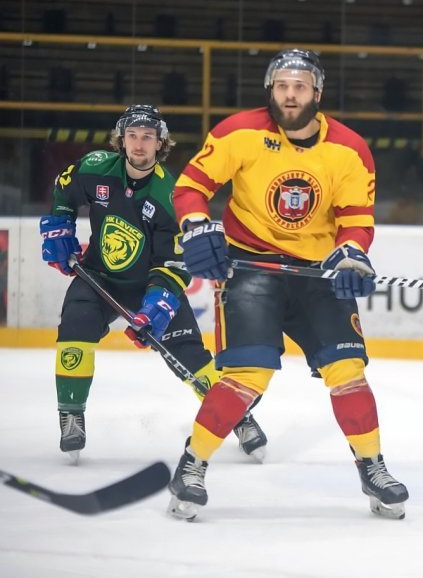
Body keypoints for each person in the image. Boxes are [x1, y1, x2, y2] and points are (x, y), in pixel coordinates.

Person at [168, 48, 408, 520]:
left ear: (317, 93)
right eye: (282, 86)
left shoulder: (349, 148)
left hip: (315, 272)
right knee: (247, 376)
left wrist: (352, 253)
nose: (290, 94)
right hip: (251, 267)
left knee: (348, 370)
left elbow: (356, 219)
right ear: (271, 90)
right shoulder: (238, 132)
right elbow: (191, 186)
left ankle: (372, 466)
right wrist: (196, 225)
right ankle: (191, 466)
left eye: (299, 86)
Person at [40, 105, 267, 464]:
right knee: (74, 328)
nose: (139, 144)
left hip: (150, 283)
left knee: (190, 356)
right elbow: (63, 192)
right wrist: (59, 226)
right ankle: (71, 415)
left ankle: (238, 417)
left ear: (160, 143)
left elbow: (173, 263)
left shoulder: (169, 194)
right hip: (98, 276)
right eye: (132, 136)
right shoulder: (95, 167)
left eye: (148, 137)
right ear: (122, 139)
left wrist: (156, 306)